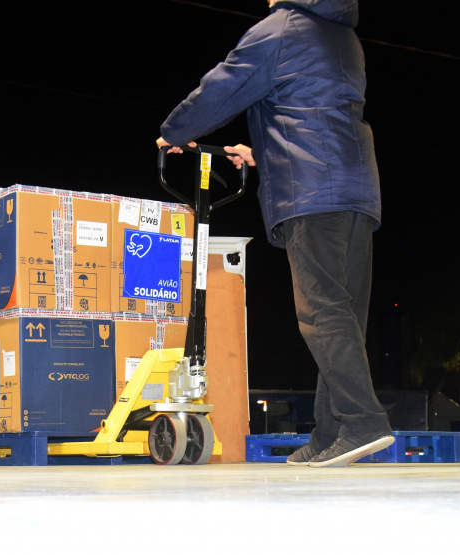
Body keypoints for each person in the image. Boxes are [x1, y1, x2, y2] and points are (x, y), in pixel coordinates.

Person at [157, 0, 393, 467]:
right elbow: (317, 118)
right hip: (356, 189)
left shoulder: (281, 28)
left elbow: (225, 86)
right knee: (343, 315)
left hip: (315, 195)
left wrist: (174, 130)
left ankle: (364, 420)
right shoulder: (344, 37)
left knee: (322, 312)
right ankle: (332, 434)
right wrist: (263, 152)